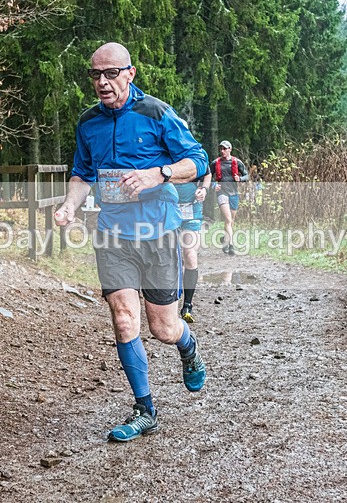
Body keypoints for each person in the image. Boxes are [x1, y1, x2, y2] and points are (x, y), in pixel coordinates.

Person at [54, 42, 209, 443]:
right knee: (124, 319)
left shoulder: (155, 112)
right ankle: (145, 409)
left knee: (164, 328)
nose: (102, 82)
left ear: (130, 73)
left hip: (158, 233)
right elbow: (82, 173)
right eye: (95, 75)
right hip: (112, 234)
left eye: (111, 73)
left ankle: (188, 346)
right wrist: (70, 206)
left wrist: (160, 173)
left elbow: (198, 160)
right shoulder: (88, 122)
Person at [175, 167, 212, 324]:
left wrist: (204, 189)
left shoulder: (195, 152)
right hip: (170, 209)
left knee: (189, 254)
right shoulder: (162, 150)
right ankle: (171, 302)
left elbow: (208, 174)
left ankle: (187, 306)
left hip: (192, 210)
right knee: (171, 256)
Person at [211, 140, 247, 255]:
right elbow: (207, 176)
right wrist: (213, 185)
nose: (222, 151)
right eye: (221, 149)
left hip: (234, 194)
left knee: (231, 221)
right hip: (222, 192)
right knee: (228, 219)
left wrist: (240, 179)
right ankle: (231, 245)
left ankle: (225, 239)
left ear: (230, 149)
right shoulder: (215, 163)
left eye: (225, 149)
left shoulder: (237, 162)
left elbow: (247, 175)